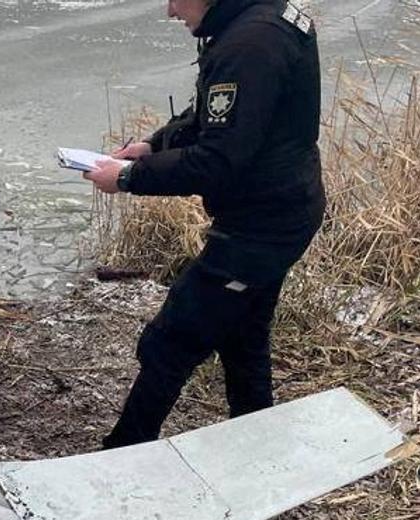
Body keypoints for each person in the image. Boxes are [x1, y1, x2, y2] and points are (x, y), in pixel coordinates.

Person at [83, 0, 325, 448]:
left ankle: (123, 451)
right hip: (281, 209)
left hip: (261, 225)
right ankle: (255, 441)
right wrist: (154, 145)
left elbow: (218, 161)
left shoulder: (250, 43)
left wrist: (130, 178)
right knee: (242, 335)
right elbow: (220, 117)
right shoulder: (255, 20)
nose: (171, 12)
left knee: (171, 339)